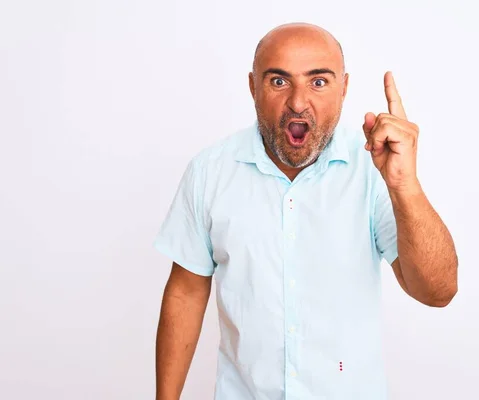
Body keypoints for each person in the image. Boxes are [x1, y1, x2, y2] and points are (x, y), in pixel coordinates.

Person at [153, 22, 458, 400]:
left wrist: (404, 185)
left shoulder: (373, 172)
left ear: (344, 88)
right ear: (253, 87)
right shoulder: (210, 171)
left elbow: (438, 292)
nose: (298, 102)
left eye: (318, 82)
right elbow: (184, 293)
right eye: (279, 81)